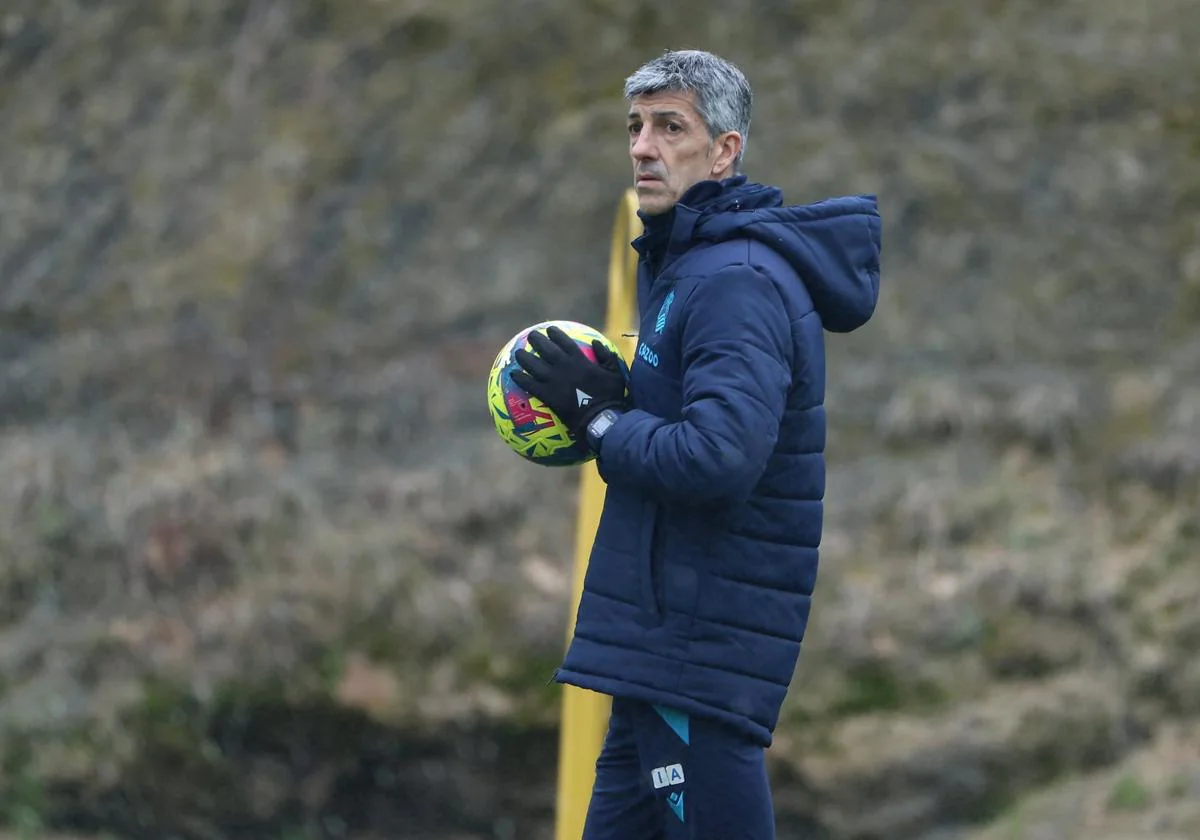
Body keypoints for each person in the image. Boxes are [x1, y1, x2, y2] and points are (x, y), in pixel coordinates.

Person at [511, 49, 882, 839]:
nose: (643, 147)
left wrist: (601, 423)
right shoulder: (689, 266)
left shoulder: (734, 280)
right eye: (636, 126)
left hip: (696, 653)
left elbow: (719, 457)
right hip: (658, 654)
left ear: (724, 151)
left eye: (670, 126)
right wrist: (612, 402)